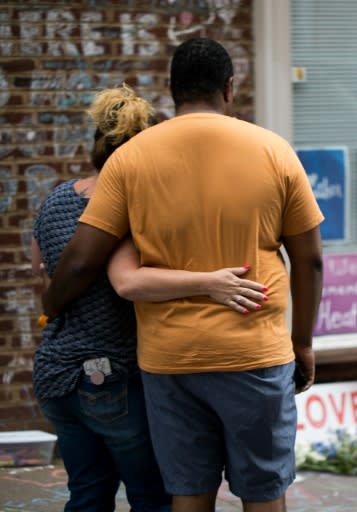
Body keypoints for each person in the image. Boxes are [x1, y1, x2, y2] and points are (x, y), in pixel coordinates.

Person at [42, 38, 325, 512]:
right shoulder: (274, 151)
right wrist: (303, 343)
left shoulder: (131, 159)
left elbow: (81, 259)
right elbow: (311, 260)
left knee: (188, 493)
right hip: (254, 354)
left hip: (170, 361)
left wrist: (50, 306)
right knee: (264, 493)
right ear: (229, 88)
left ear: (171, 92)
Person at [32, 84, 268, 512]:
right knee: (153, 498)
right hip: (114, 378)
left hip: (56, 375)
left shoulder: (55, 199)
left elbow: (42, 272)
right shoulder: (126, 203)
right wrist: (208, 281)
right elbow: (127, 281)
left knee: (86, 494)